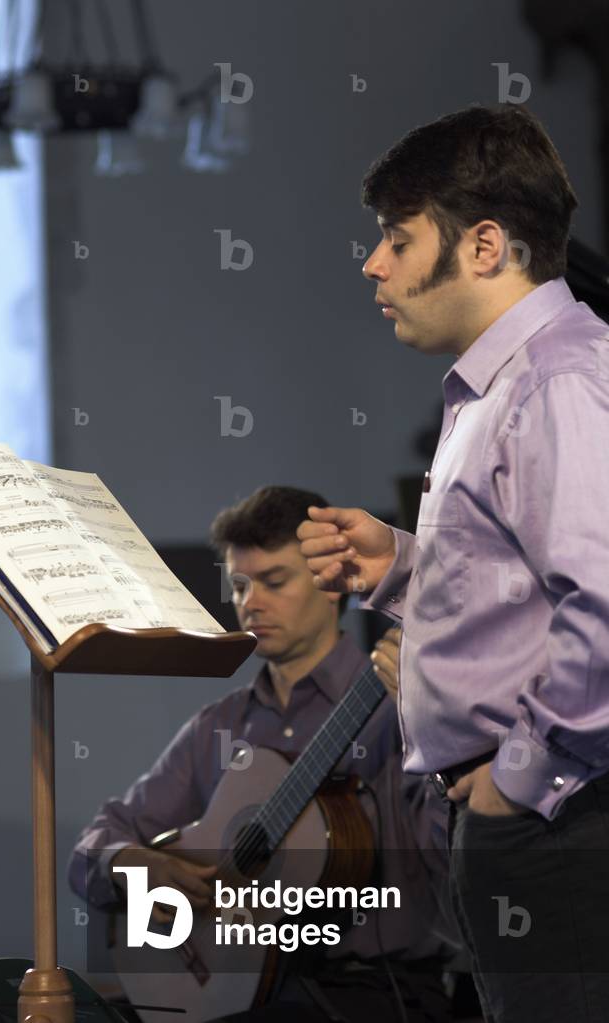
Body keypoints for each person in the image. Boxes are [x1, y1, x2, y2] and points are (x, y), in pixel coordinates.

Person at [297, 103, 609, 1023]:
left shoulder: (560, 379)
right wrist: (400, 563)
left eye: (397, 237)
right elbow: (526, 586)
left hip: (556, 820)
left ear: (483, 246)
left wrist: (521, 778)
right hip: (528, 819)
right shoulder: (509, 379)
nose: (374, 264)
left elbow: (603, 604)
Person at [69, 486, 455, 1023]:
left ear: (331, 584)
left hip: (374, 996)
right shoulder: (218, 728)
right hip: (235, 989)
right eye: (240, 585)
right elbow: (92, 849)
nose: (252, 601)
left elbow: (455, 861)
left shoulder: (397, 708)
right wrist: (133, 864)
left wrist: (435, 729)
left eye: (275, 581)